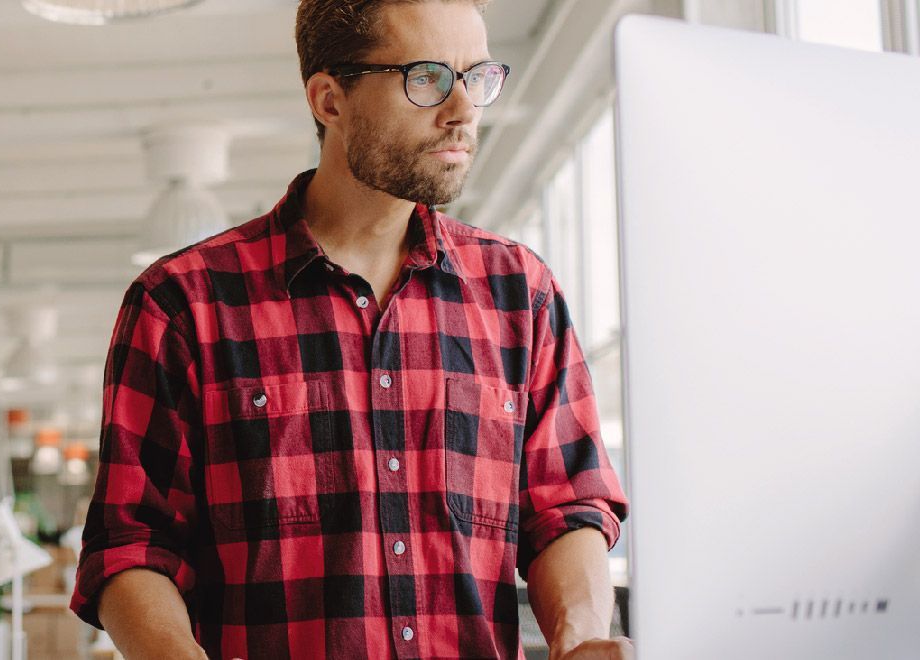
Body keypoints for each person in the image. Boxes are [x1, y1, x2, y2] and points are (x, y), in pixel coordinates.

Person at [68, 1, 632, 658]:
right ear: (330, 100)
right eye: (426, 78)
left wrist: (580, 639)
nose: (463, 110)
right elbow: (132, 545)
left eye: (476, 77)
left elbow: (567, 508)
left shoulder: (520, 293)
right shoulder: (183, 303)